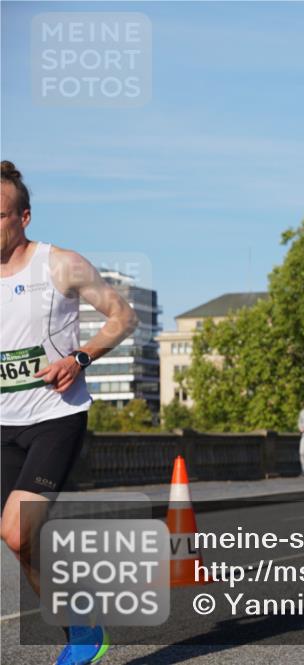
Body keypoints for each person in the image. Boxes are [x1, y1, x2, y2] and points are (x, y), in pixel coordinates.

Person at [1, 161, 138, 664]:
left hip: (55, 416)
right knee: (19, 542)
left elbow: (124, 317)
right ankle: (82, 622)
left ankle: (82, 633)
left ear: (24, 217)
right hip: (3, 423)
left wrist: (80, 359)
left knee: (18, 530)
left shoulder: (59, 265)